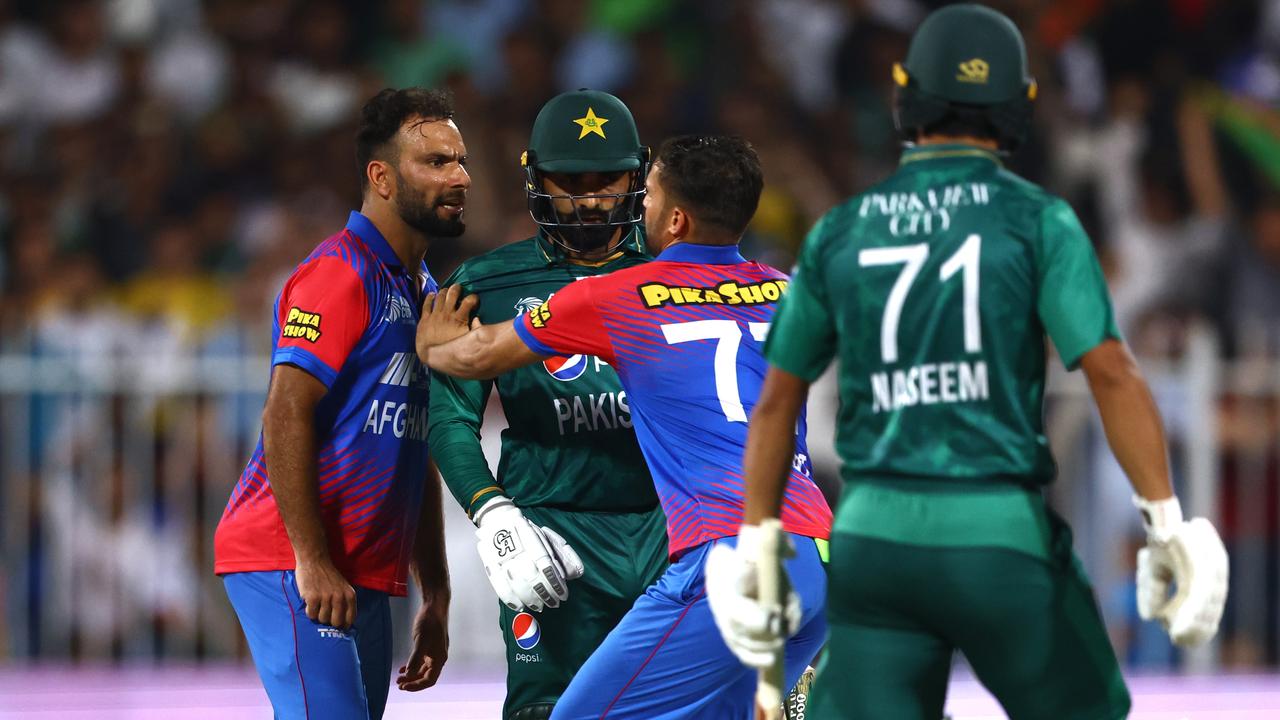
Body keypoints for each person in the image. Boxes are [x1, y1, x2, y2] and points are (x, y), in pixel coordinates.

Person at [704, 5, 1230, 720]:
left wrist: (758, 541)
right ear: (1017, 107)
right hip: (997, 532)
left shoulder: (841, 230)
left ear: (905, 96)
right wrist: (1166, 524)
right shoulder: (1037, 219)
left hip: (874, 538)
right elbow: (1110, 370)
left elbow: (775, 403)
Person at [418, 134, 832, 719]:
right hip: (816, 552)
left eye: (651, 194)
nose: (641, 207)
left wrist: (434, 348)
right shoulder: (788, 295)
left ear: (677, 218)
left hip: (727, 557)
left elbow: (478, 354)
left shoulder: (621, 293)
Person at [213, 87, 467, 719]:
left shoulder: (424, 290)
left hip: (361, 570)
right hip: (293, 559)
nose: (459, 177)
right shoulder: (340, 274)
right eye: (435, 162)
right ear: (381, 177)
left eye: (460, 160)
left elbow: (417, 441)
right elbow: (284, 411)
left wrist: (434, 591)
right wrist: (312, 559)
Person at [425, 88, 668, 720]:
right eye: (570, 181)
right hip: (549, 534)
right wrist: (493, 513)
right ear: (536, 179)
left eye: (606, 179)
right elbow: (450, 419)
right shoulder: (484, 283)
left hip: (674, 530)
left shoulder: (679, 272)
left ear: (637, 176)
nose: (589, 198)